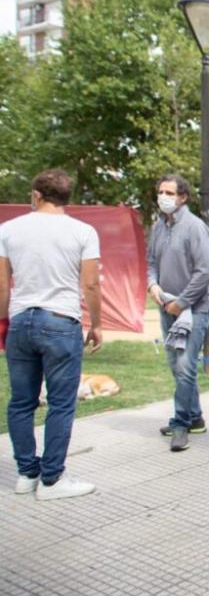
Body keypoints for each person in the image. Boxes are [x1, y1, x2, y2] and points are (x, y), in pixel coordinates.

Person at [0, 170, 103, 500]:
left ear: (36, 194)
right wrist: (97, 324)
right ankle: (52, 479)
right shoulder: (83, 232)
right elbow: (90, 284)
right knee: (60, 403)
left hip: (21, 320)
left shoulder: (8, 230)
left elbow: (3, 284)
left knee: (21, 402)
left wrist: (5, 319)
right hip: (61, 320)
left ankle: (26, 473)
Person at [147, 174, 209, 452]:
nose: (164, 196)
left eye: (170, 192)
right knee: (176, 364)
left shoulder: (195, 227)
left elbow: (205, 272)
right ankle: (195, 416)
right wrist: (152, 284)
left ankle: (180, 423)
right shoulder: (158, 227)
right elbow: (151, 262)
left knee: (186, 364)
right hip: (167, 305)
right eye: (161, 191)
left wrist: (183, 302)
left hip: (195, 307)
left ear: (183, 197)